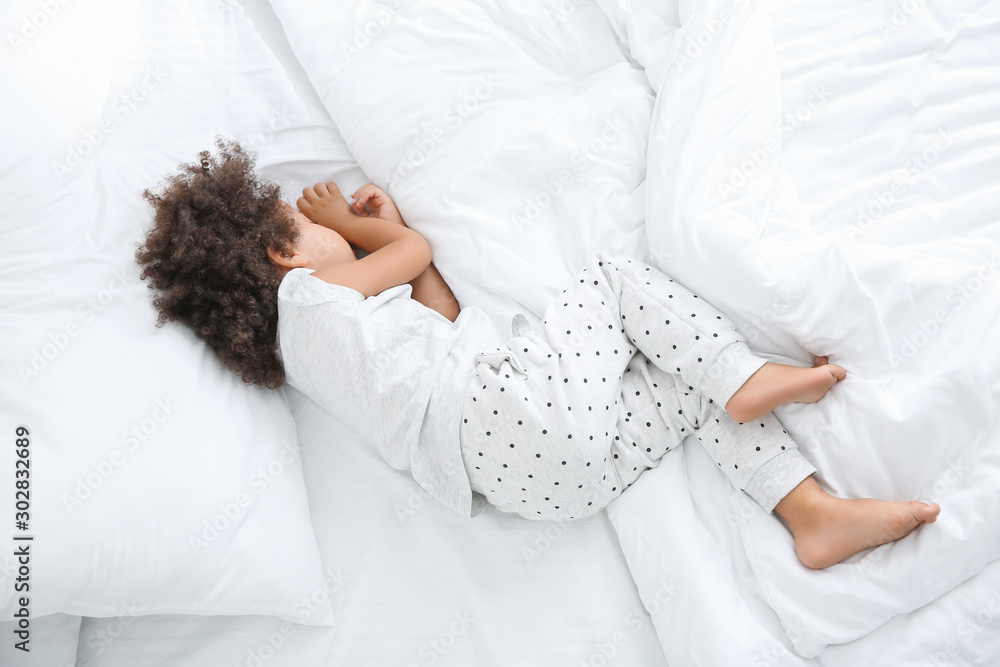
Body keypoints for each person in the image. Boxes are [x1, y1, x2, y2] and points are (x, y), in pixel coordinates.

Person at [136, 141, 939, 569]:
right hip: (509, 414)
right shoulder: (309, 302)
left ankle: (809, 513)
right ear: (283, 255)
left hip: (534, 481)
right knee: (615, 282)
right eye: (305, 224)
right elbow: (410, 251)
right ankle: (743, 376)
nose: (327, 230)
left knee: (674, 385)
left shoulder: (329, 356)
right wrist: (362, 223)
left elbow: (440, 314)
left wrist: (384, 239)